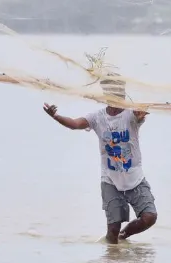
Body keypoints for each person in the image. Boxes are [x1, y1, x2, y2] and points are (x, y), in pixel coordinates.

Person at [43, 76, 157, 244]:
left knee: (149, 217)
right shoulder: (97, 118)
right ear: (107, 95)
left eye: (121, 92)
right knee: (112, 229)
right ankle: (112, 260)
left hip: (135, 179)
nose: (120, 96)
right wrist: (55, 116)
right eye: (114, 93)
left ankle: (124, 237)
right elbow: (75, 124)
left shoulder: (131, 115)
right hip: (110, 179)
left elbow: (140, 114)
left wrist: (141, 113)